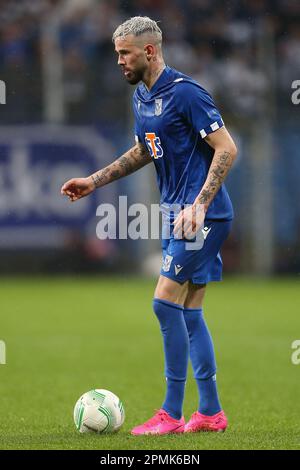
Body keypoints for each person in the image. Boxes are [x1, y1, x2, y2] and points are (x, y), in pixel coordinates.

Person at [61, 16, 237, 435]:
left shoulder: (186, 94)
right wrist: (94, 180)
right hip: (177, 213)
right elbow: (144, 150)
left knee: (164, 301)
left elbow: (226, 148)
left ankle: (171, 415)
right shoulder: (142, 97)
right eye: (117, 52)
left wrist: (198, 204)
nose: (119, 60)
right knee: (190, 313)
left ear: (149, 51)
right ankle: (210, 413)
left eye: (125, 53)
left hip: (203, 215)